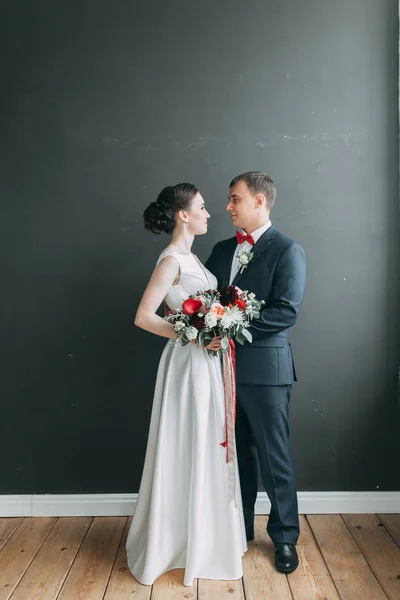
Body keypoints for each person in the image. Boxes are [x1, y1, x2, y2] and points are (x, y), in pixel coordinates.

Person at [125, 183, 247, 587]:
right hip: (188, 366)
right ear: (183, 215)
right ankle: (175, 542)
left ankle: (204, 538)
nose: (209, 213)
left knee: (206, 442)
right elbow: (144, 317)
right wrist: (193, 336)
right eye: (202, 207)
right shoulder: (171, 260)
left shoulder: (191, 257)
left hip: (206, 365)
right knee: (188, 441)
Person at [205, 172, 306, 574]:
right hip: (218, 370)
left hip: (267, 370)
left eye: (235, 199)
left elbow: (286, 311)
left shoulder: (287, 250)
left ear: (259, 202)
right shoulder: (219, 249)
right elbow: (206, 297)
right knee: (236, 455)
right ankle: (239, 529)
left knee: (273, 455)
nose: (228, 207)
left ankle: (284, 538)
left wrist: (229, 327)